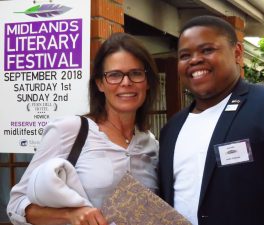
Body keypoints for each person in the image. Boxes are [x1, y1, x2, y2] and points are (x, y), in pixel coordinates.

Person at [158, 15, 264, 225]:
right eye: (185, 55)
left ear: (237, 53)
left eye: (207, 50)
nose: (195, 60)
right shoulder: (172, 128)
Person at [7, 32, 160, 225]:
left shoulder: (151, 144)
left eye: (136, 73)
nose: (126, 82)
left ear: (147, 82)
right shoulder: (70, 131)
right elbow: (16, 205)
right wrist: (71, 215)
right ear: (99, 84)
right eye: (114, 75)